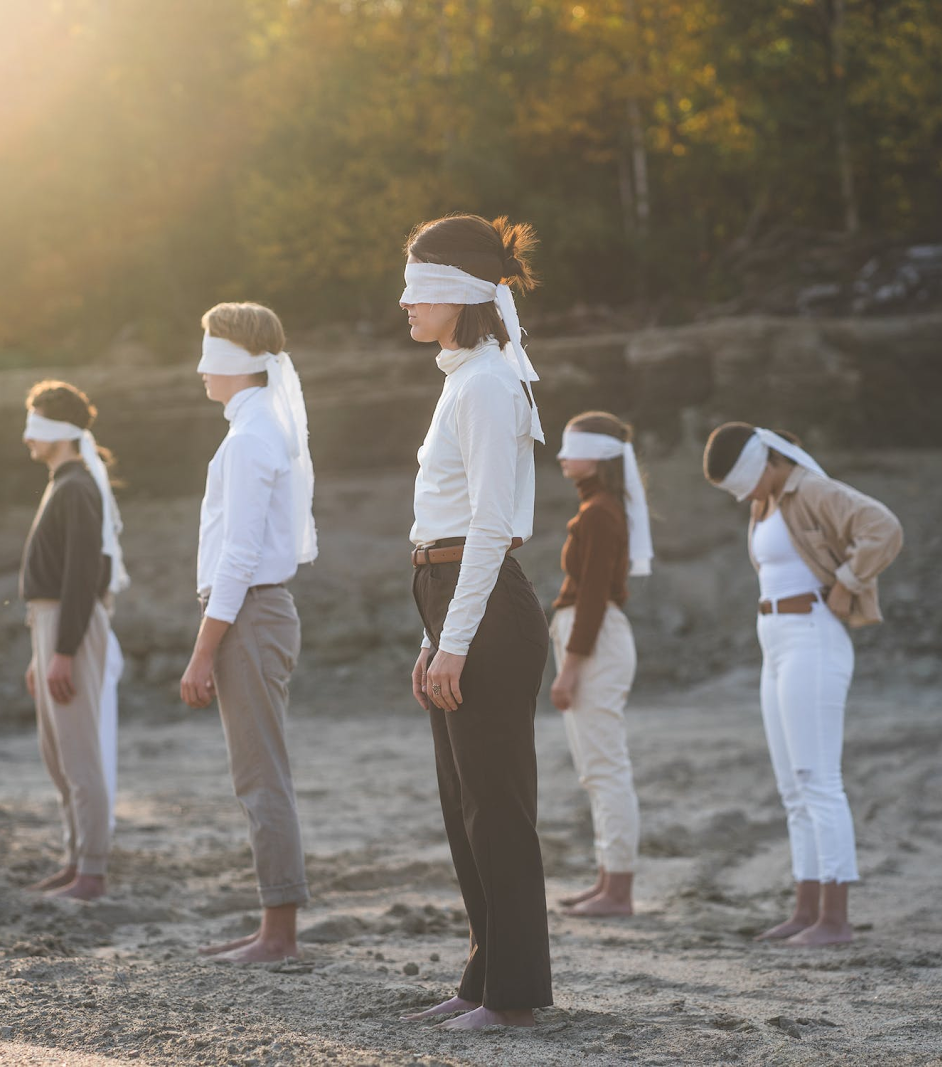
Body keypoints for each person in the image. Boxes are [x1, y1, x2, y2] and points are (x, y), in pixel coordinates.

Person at [398, 214, 552, 1031]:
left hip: (485, 605)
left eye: (419, 290)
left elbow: (491, 527)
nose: (405, 304)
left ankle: (515, 996)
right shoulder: (461, 378)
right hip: (451, 597)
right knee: (465, 805)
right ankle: (483, 977)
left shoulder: (488, 382)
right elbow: (451, 526)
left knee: (497, 807)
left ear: (458, 294)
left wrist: (453, 640)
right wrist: (432, 638)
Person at [702, 422, 903, 947]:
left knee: (818, 779)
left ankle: (836, 920)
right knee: (793, 787)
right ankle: (806, 909)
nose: (743, 496)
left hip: (813, 635)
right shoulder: (764, 502)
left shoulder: (811, 488)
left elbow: (883, 527)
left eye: (745, 483)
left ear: (768, 463)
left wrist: (850, 584)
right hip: (776, 637)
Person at [179, 301, 318, 964]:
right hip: (255, 612)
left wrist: (202, 652)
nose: (201, 369)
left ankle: (278, 934)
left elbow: (237, 558)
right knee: (259, 772)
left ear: (234, 361)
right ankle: (272, 921)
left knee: (261, 775)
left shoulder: (249, 438)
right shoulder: (260, 426)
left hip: (249, 616)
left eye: (209, 353)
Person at [20, 381, 130, 901]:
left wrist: (62, 651)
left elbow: (83, 576)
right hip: (51, 627)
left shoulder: (77, 487)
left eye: (35, 423)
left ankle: (92, 868)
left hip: (72, 626)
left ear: (58, 432)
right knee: (57, 749)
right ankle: (73, 857)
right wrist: (38, 653)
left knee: (80, 748)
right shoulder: (62, 483)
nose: (27, 437)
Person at [549, 411, 652, 917]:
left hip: (595, 641)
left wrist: (569, 668)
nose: (563, 455)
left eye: (574, 446)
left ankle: (619, 891)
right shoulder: (600, 506)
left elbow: (591, 597)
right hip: (593, 638)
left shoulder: (600, 512)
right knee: (597, 768)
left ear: (601, 455)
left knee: (606, 768)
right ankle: (607, 879)